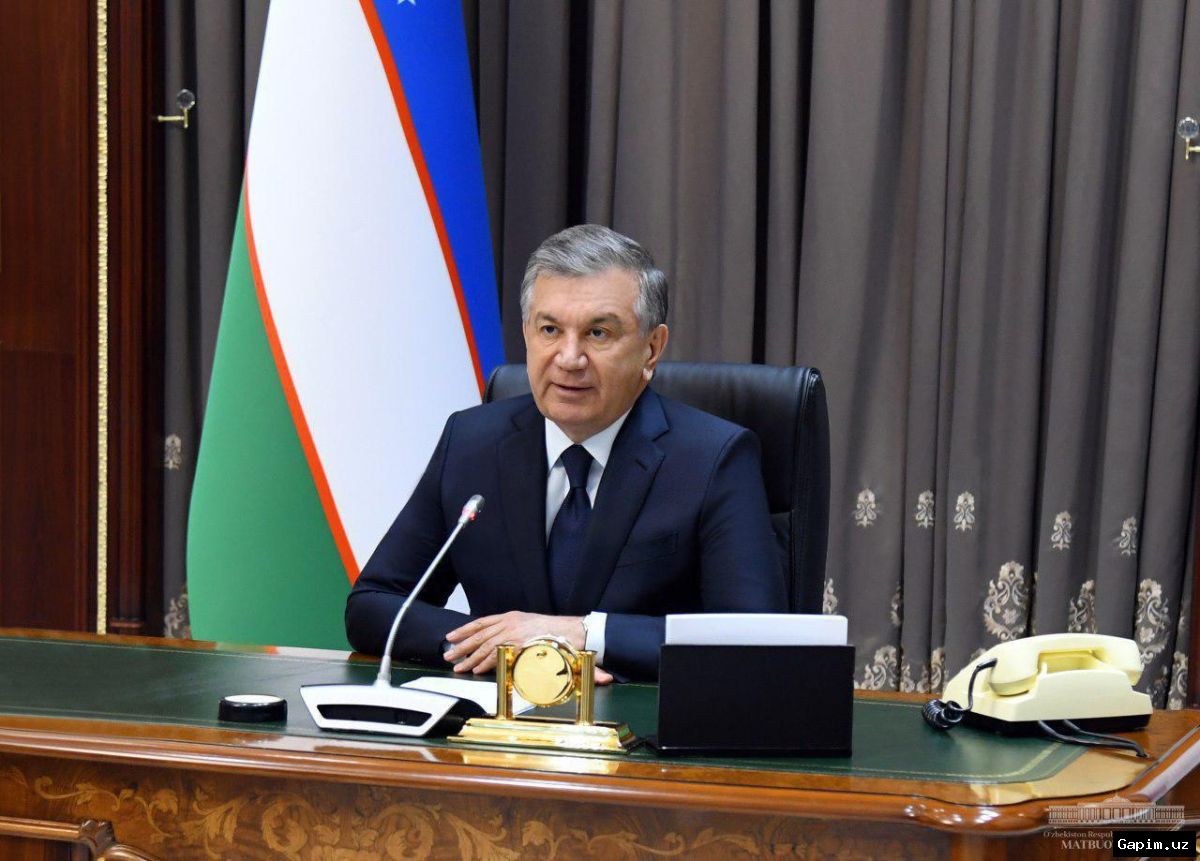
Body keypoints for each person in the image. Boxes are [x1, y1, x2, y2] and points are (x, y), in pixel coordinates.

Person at [345, 224, 786, 682]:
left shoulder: (713, 459)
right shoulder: (472, 442)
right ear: (526, 334)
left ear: (652, 349)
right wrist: (502, 647)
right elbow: (373, 605)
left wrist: (585, 636)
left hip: (638, 722)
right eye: (550, 329)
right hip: (497, 721)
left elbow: (753, 641)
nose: (569, 358)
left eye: (598, 333)